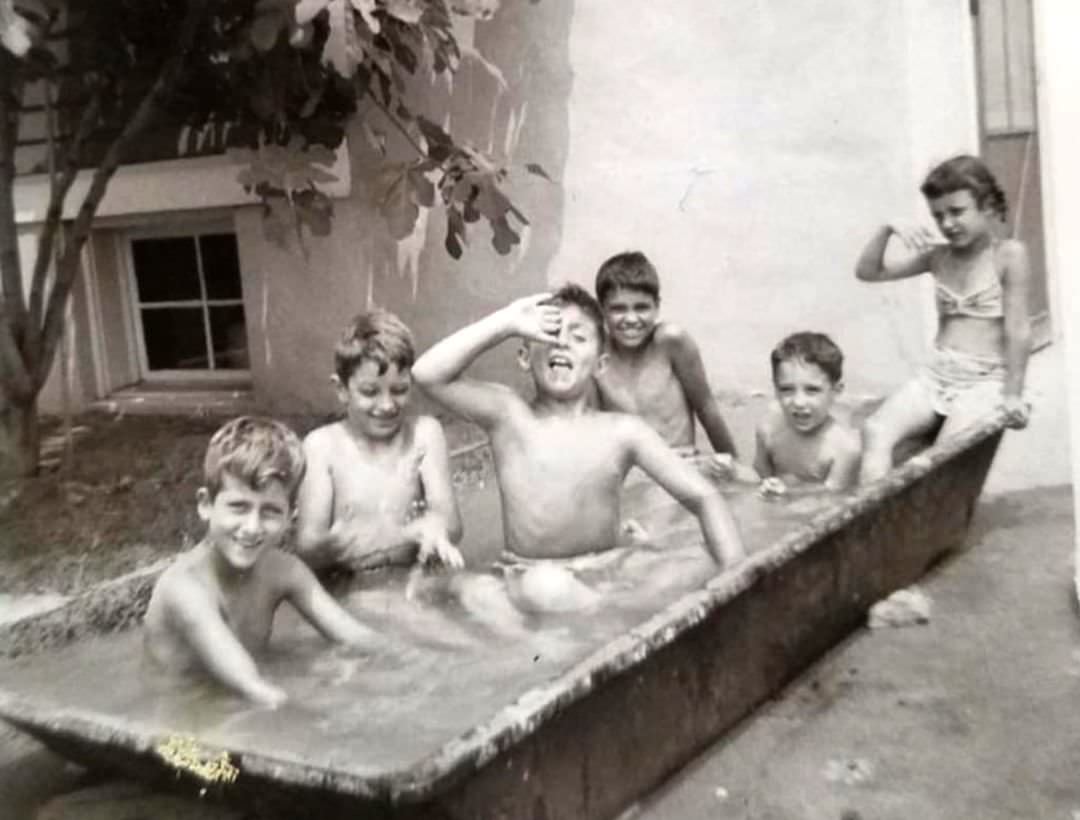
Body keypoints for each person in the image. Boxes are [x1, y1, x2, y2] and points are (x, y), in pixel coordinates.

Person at [411, 284, 746, 613]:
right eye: (551, 334)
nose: (562, 345)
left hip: (605, 569)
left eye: (578, 337)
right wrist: (507, 322)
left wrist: (734, 575)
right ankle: (613, 616)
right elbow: (427, 374)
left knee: (700, 557)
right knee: (544, 584)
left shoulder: (622, 431)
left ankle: (608, 611)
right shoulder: (509, 416)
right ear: (525, 356)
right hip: (532, 575)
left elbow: (704, 497)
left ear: (600, 365)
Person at [143, 416, 377, 707]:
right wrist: (337, 711)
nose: (252, 527)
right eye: (238, 507)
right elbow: (257, 690)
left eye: (270, 512)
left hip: (239, 703)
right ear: (206, 505)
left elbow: (359, 638)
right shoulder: (185, 590)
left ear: (290, 516)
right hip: (181, 725)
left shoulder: (284, 570)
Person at [855, 155, 1032, 484]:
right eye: (938, 215)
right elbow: (868, 272)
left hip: (984, 380)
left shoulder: (1008, 255)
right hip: (936, 375)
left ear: (987, 207)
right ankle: (871, 520)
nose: (947, 223)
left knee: (943, 454)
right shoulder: (938, 256)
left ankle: (922, 522)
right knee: (874, 430)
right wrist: (887, 229)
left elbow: (1018, 330)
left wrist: (1013, 394)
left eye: (957, 211)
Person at [295, 310, 464, 572]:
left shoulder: (424, 434)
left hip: (414, 579)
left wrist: (433, 528)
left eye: (399, 390)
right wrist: (334, 544)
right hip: (351, 585)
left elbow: (451, 527)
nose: (386, 405)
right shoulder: (322, 447)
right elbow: (307, 547)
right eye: (370, 392)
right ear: (341, 389)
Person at [592, 251, 738, 479]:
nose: (631, 319)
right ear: (601, 310)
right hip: (631, 473)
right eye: (618, 309)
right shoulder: (596, 353)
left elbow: (707, 408)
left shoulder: (670, 342)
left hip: (682, 464)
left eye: (641, 307)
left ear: (657, 307)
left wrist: (734, 466)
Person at [747, 332, 862, 496]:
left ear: (836, 391)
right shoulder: (768, 430)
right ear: (775, 390)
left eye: (812, 390)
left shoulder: (845, 448)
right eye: (786, 390)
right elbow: (759, 478)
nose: (798, 402)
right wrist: (730, 471)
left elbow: (834, 498)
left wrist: (789, 493)